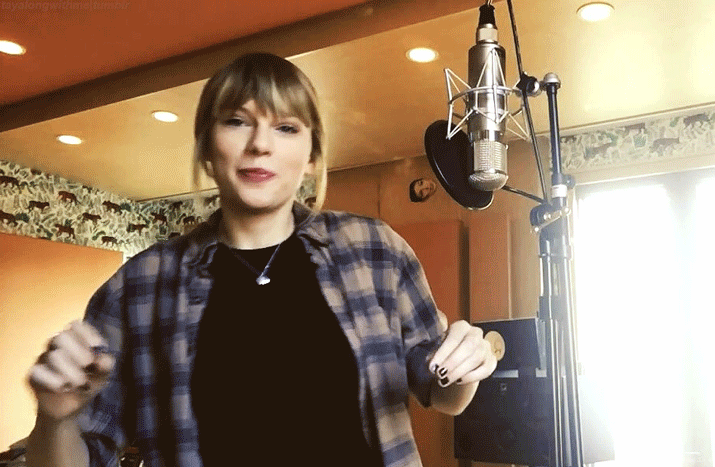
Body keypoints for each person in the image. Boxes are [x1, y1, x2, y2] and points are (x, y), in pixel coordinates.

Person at [25, 52, 497, 467]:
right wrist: (55, 418)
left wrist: (468, 365)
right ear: (206, 147)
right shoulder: (140, 285)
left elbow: (442, 393)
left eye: (286, 127)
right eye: (236, 121)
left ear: (311, 155)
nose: (260, 144)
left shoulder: (376, 250)